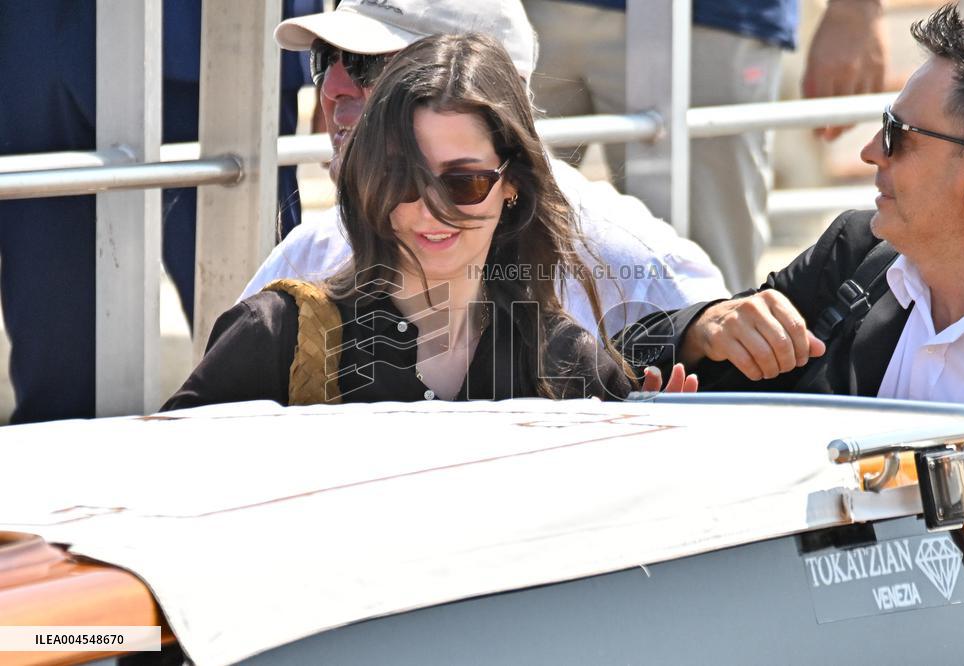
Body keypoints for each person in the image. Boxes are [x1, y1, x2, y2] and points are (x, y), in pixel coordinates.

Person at [165, 33, 697, 411]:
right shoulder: (275, 335)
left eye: (463, 183)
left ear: (512, 184)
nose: (431, 208)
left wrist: (653, 453)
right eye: (403, 177)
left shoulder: (567, 362)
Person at [240, 0, 730, 342]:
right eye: (326, 59)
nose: (333, 89)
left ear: (487, 93)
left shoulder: (628, 261)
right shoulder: (313, 253)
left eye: (368, 65)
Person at [625, 5, 964, 408]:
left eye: (898, 134)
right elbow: (613, 364)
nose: (870, 150)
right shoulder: (853, 253)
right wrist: (701, 331)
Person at [0, 1, 317, 424]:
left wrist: (356, 54)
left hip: (222, 33)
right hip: (32, 41)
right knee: (56, 384)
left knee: (269, 358)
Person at [524, 0, 887, 293]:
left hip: (713, 17)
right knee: (507, 247)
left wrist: (855, 9)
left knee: (707, 284)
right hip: (529, 13)